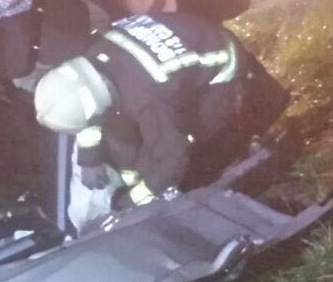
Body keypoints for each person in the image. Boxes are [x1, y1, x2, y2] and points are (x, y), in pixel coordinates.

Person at [34, 12, 259, 218]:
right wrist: (88, 158)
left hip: (221, 59)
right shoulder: (92, 54)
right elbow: (92, 113)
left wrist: (131, 201)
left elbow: (171, 160)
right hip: (190, 30)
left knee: (199, 133)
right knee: (124, 129)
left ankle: (242, 119)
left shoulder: (148, 97)